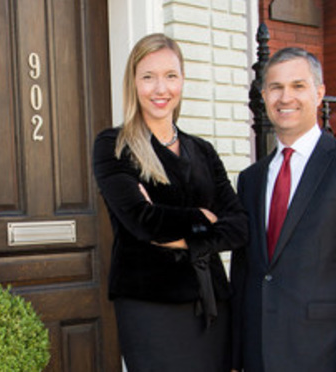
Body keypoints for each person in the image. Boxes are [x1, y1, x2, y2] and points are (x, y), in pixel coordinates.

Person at [230, 47, 336, 372]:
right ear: (264, 96)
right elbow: (244, 276)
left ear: (319, 94)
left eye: (298, 86)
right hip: (259, 358)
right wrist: (236, 359)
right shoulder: (251, 179)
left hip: (325, 357)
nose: (285, 97)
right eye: (276, 87)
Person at [93, 33, 247, 372]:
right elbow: (142, 222)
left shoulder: (202, 151)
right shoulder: (114, 146)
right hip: (150, 304)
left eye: (170, 76)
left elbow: (238, 226)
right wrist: (203, 217)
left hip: (211, 303)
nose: (160, 89)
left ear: (182, 81)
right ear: (133, 82)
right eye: (148, 77)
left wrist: (178, 230)